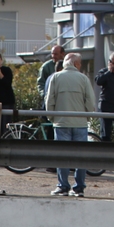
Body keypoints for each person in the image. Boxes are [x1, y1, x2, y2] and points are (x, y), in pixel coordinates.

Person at [45, 52, 95, 197]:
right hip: (80, 122)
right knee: (81, 156)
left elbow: (49, 100)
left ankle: (63, 186)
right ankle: (79, 187)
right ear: (77, 64)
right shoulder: (83, 78)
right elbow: (90, 101)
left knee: (62, 155)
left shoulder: (56, 77)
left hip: (61, 123)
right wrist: (87, 116)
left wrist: (52, 118)